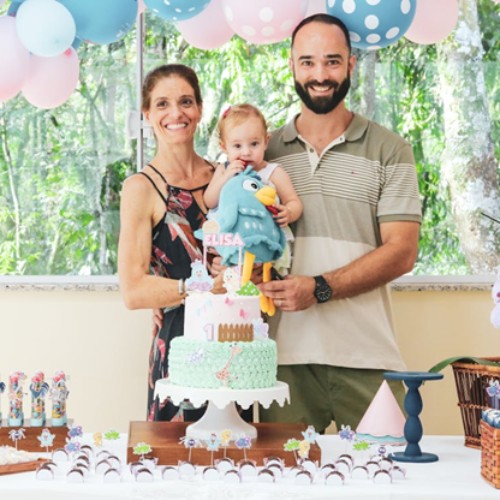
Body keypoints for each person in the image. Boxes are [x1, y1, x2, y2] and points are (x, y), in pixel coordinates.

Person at [257, 14, 422, 433]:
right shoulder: (264, 155)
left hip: (368, 355)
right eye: (308, 62)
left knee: (389, 470)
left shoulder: (390, 150)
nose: (320, 75)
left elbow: (402, 252)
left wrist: (319, 287)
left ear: (350, 64)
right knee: (282, 474)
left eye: (332, 61)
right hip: (282, 362)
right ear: (292, 66)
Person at [118, 64, 221, 422]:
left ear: (200, 109)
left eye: (186, 102)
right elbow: (133, 291)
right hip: (178, 347)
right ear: (147, 114)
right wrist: (200, 289)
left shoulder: (227, 178)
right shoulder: (141, 188)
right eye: (162, 104)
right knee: (176, 454)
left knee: (234, 451)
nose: (176, 113)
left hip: (234, 347)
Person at [204, 104, 303, 257]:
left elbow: (293, 201)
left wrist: (289, 212)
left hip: (265, 237)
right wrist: (226, 177)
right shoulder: (224, 170)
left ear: (266, 142)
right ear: (224, 147)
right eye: (237, 146)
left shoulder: (273, 172)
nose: (246, 152)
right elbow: (209, 201)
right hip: (231, 238)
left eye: (254, 144)